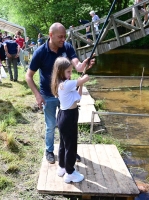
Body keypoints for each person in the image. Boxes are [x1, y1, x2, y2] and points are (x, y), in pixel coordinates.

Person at [25, 22, 95, 164]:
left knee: (68, 125)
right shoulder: (40, 52)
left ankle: (70, 151)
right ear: (51, 35)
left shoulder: (67, 47)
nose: (63, 40)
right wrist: (38, 95)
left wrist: (84, 65)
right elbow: (28, 76)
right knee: (51, 125)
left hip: (66, 95)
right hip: (48, 96)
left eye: (64, 36)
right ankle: (49, 150)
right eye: (60, 37)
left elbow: (78, 66)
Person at [51, 57, 89, 183]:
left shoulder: (61, 84)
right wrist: (85, 73)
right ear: (61, 72)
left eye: (71, 71)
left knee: (63, 144)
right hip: (68, 117)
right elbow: (85, 78)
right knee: (71, 146)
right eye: (68, 71)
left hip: (63, 115)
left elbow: (77, 98)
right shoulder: (67, 84)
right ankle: (70, 173)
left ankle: (62, 167)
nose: (70, 74)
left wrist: (80, 83)